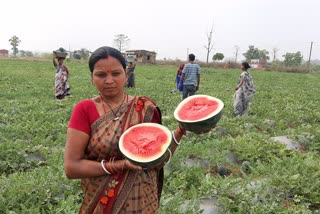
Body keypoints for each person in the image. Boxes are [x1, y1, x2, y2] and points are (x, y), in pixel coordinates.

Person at [64, 46, 186, 213]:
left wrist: (179, 132)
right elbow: (71, 167)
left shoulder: (145, 107)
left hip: (142, 203)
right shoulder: (84, 109)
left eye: (116, 73)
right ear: (92, 78)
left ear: (125, 74)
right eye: (101, 74)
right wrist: (120, 165)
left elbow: (157, 161)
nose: (109, 80)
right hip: (101, 202)